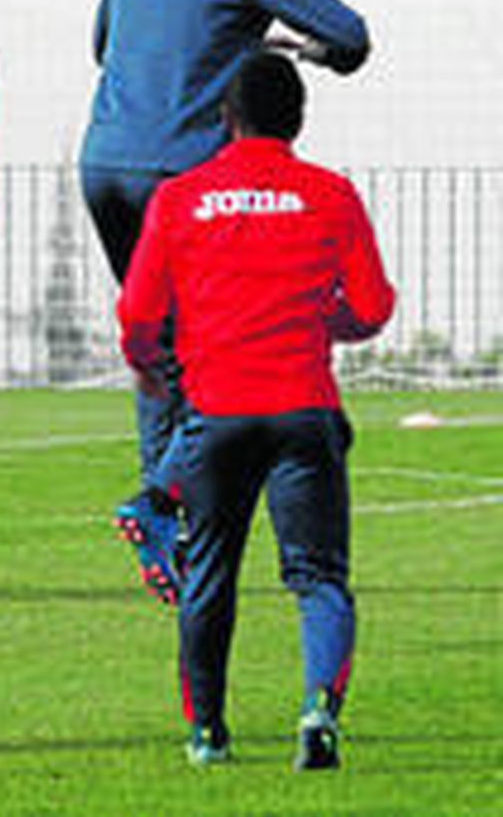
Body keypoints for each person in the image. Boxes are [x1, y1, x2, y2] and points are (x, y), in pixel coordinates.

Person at [80, 0, 372, 605]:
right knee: (219, 347)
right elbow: (349, 36)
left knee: (168, 348)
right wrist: (298, 48)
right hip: (183, 170)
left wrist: (229, 40)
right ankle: (168, 511)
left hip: (104, 162)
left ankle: (168, 520)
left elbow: (102, 43)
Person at [117, 53, 394, 769]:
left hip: (216, 416)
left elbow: (138, 313)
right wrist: (316, 320)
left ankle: (208, 734)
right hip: (303, 410)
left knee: (209, 575)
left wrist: (150, 367)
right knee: (319, 578)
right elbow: (372, 306)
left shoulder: (180, 199)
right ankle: (317, 716)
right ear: (298, 120)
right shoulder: (331, 195)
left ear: (224, 120)